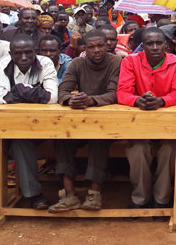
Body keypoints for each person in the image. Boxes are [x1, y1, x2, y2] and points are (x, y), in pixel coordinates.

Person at [0, 35, 58, 224]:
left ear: (35, 51)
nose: (24, 57)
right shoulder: (4, 64)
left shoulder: (45, 64)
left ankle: (33, 195)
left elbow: (51, 97)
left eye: (28, 52)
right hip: (8, 126)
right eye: (18, 53)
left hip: (39, 127)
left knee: (21, 141)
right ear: (11, 54)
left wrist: (17, 91)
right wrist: (32, 93)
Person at [117, 28, 176, 217]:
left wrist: (161, 101)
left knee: (169, 150)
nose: (155, 47)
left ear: (166, 45)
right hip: (140, 124)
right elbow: (122, 92)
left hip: (167, 124)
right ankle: (140, 197)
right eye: (150, 43)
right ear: (143, 46)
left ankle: (161, 199)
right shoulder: (130, 61)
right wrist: (137, 100)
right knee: (138, 150)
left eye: (159, 43)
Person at [49, 31, 122, 213]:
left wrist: (91, 100)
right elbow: (63, 90)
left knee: (100, 139)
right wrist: (70, 100)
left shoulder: (116, 62)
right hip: (80, 121)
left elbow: (114, 94)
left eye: (100, 46)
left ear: (107, 46)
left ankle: (94, 193)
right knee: (62, 138)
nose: (96, 50)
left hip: (107, 122)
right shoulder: (77, 63)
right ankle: (69, 194)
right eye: (91, 47)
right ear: (84, 48)